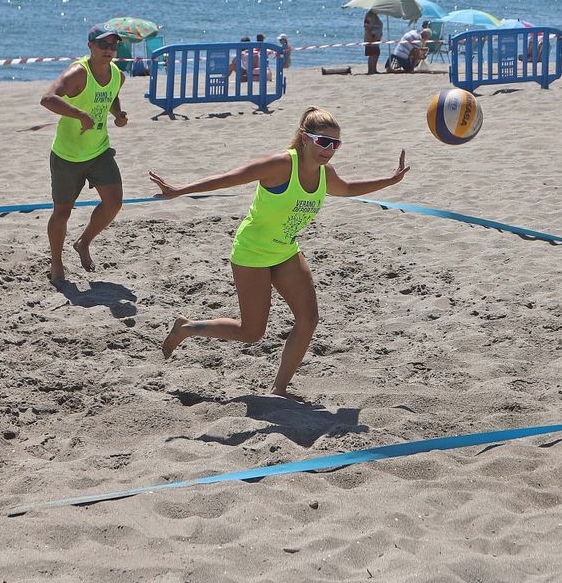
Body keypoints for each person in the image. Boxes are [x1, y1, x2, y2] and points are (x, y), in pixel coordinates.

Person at [150, 107, 411, 401]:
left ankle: (279, 389)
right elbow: (230, 178)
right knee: (251, 332)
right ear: (305, 138)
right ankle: (187, 328)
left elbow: (348, 188)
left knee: (308, 319)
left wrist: (390, 180)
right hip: (252, 252)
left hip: (285, 251)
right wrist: (179, 190)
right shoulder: (281, 165)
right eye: (324, 142)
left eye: (335, 144)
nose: (329, 150)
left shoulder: (325, 173)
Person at [39, 24, 129, 283]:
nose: (109, 49)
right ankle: (56, 263)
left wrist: (118, 114)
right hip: (68, 155)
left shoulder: (118, 75)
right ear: (90, 45)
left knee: (114, 203)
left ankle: (83, 242)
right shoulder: (78, 72)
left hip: (99, 150)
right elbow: (47, 99)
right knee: (62, 213)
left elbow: (111, 96)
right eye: (103, 44)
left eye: (113, 45)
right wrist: (79, 114)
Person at [363, 10, 383, 74]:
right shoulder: (369, 16)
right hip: (371, 38)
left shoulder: (375, 17)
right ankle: (371, 70)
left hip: (376, 38)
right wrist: (371, 38)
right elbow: (367, 28)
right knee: (372, 54)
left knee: (376, 54)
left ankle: (374, 69)